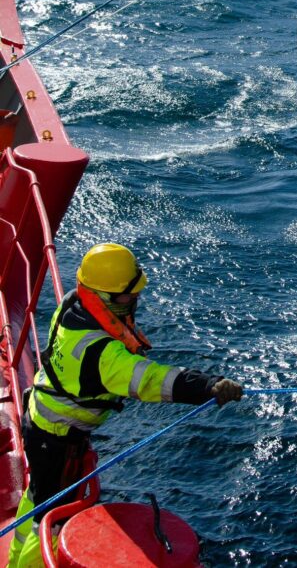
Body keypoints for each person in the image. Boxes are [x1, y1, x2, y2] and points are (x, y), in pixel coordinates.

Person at [8, 242, 243, 567]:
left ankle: (14, 556)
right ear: (106, 297)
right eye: (126, 296)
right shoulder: (102, 355)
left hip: (38, 418)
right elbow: (152, 380)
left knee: (36, 499)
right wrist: (209, 386)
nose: (134, 299)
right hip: (59, 441)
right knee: (49, 522)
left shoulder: (71, 306)